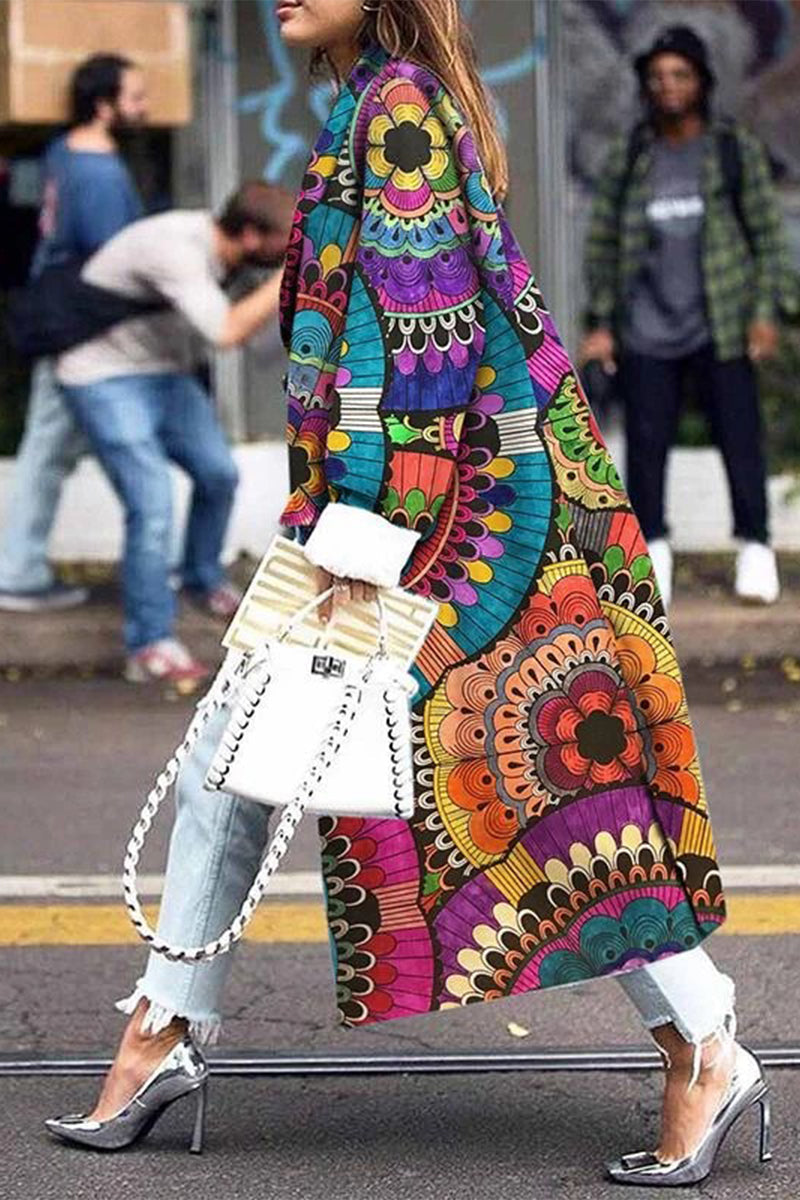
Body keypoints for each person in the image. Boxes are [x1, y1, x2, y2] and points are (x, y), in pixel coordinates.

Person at [45, 2, 770, 1188]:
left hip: (448, 520)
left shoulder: (397, 111)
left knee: (527, 793)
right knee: (259, 755)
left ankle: (703, 1041)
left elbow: (426, 335)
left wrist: (368, 527)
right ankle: (163, 1030)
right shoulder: (369, 102)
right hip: (430, 508)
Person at [581, 25, 795, 608]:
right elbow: (602, 244)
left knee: (740, 439)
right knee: (646, 447)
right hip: (646, 329)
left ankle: (755, 547)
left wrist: (763, 314)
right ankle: (654, 551)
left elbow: (767, 236)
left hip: (720, 325)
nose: (668, 86)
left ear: (701, 81)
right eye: (657, 77)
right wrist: (600, 324)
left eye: (679, 75)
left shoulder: (731, 150)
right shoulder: (632, 155)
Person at [54, 182, 294, 683]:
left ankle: (202, 579)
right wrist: (287, 279)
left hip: (163, 371)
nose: (289, 252)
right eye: (284, 244)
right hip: (103, 375)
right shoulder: (175, 249)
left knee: (218, 474)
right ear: (251, 236)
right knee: (152, 502)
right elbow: (226, 332)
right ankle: (148, 644)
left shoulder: (227, 255)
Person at [0, 54, 148, 613]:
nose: (145, 108)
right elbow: (117, 262)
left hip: (58, 312)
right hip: (81, 326)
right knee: (51, 449)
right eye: (135, 98)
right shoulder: (100, 174)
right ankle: (18, 572)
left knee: (58, 446)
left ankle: (21, 567)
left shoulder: (64, 150)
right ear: (104, 106)